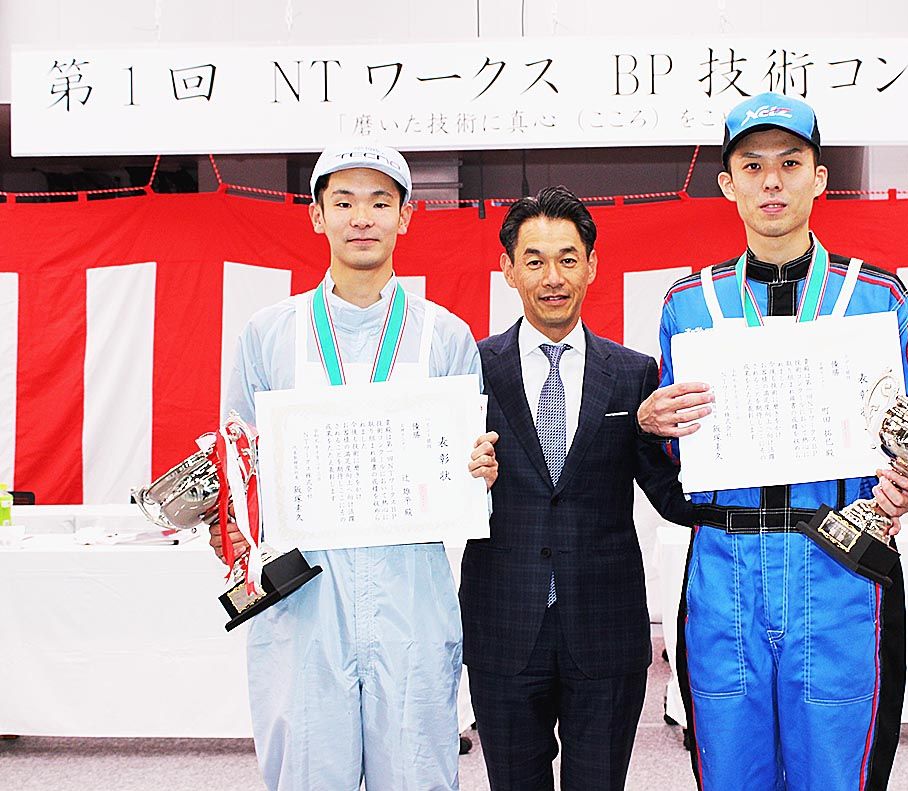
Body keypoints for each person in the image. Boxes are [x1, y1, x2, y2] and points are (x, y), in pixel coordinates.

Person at [637, 93, 908, 791]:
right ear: (728, 184)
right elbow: (670, 461)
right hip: (726, 566)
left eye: (790, 163)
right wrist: (650, 425)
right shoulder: (689, 303)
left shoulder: (877, 296)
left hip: (839, 562)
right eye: (752, 166)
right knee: (730, 769)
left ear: (819, 177)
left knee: (837, 770)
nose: (771, 181)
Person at [209, 142, 498, 791]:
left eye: (379, 202)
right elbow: (236, 465)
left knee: (418, 775)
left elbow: (466, 468)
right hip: (303, 600)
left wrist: (478, 468)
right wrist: (231, 522)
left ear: (406, 216)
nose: (361, 217)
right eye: (343, 202)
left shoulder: (445, 336)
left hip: (410, 595)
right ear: (317, 216)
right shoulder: (268, 334)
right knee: (309, 774)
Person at [460, 186, 697, 791]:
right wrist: (461, 476)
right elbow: (443, 492)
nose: (553, 277)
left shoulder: (634, 374)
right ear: (508, 268)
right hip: (502, 625)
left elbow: (672, 498)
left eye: (568, 259)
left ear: (592, 265)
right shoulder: (470, 370)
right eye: (534, 260)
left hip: (606, 628)